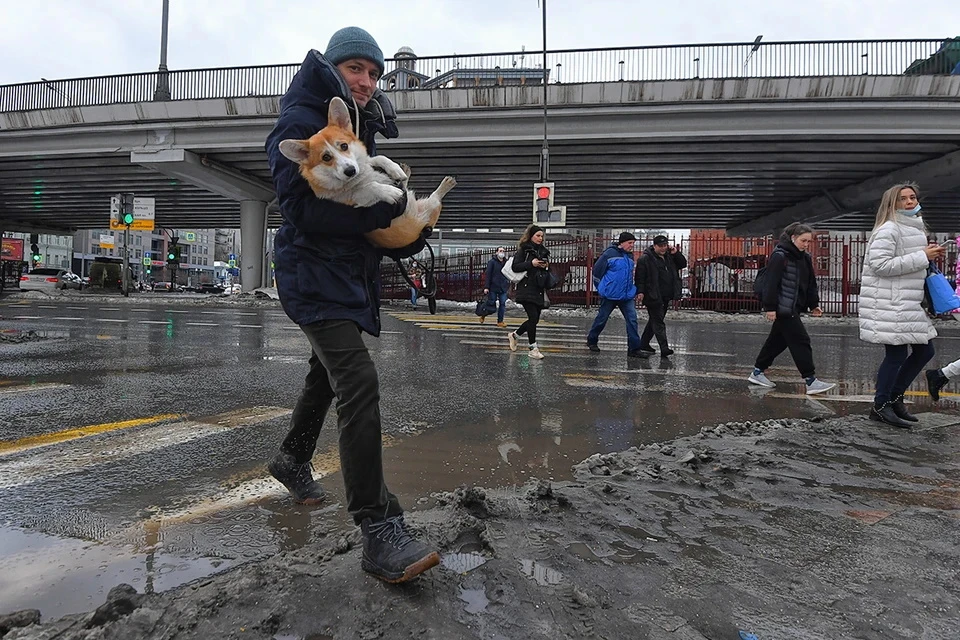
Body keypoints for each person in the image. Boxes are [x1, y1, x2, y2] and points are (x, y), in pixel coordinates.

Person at [265, 26, 439, 583]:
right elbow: (303, 212)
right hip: (311, 276)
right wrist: (376, 216)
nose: (366, 82)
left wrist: (408, 233)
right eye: (356, 69)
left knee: (327, 374)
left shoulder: (360, 124)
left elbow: (367, 209)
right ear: (334, 68)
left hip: (344, 275)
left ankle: (292, 458)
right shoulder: (302, 123)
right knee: (357, 380)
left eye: (374, 72)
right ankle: (376, 524)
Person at [859, 183, 944, 428]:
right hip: (889, 302)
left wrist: (926, 256)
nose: (909, 202)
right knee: (896, 354)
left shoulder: (914, 228)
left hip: (906, 301)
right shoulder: (889, 229)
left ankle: (894, 399)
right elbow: (881, 265)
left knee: (924, 351)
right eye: (902, 199)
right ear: (892, 204)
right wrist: (922, 257)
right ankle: (881, 405)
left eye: (912, 197)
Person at [747, 223, 836, 395]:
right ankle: (810, 380)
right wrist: (770, 307)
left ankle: (757, 372)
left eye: (808, 242)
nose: (806, 244)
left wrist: (814, 304)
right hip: (783, 308)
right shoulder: (780, 256)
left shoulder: (805, 257)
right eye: (803, 241)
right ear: (793, 238)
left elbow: (810, 283)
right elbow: (771, 284)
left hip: (794, 306)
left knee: (777, 342)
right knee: (801, 340)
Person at [586, 232, 645, 357]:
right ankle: (592, 340)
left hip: (626, 295)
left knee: (632, 320)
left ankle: (634, 349)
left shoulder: (629, 256)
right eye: (629, 243)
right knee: (602, 319)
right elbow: (597, 271)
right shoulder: (609, 254)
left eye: (633, 243)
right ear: (621, 242)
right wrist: (601, 288)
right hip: (610, 295)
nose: (631, 246)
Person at [634, 235, 687, 356]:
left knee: (655, 320)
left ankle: (644, 343)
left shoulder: (669, 257)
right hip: (652, 294)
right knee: (658, 322)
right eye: (661, 246)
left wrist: (676, 253)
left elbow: (683, 264)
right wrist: (640, 292)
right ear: (654, 246)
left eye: (665, 245)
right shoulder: (645, 259)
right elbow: (640, 278)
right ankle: (664, 348)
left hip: (666, 295)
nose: (663, 248)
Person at [506, 224, 551, 359]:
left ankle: (515, 335)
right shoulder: (523, 250)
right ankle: (533, 348)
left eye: (542, 236)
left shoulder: (543, 251)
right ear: (531, 236)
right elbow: (515, 267)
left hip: (538, 288)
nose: (540, 238)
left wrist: (545, 265)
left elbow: (544, 270)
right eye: (537, 236)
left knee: (535, 319)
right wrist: (531, 264)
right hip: (526, 288)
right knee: (532, 318)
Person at [483, 247, 510, 327]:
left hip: (503, 287)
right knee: (491, 303)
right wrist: (486, 287)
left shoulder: (506, 262)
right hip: (493, 286)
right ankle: (483, 314)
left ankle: (500, 321)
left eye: (503, 251)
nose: (502, 253)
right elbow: (488, 275)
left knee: (502, 304)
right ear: (496, 252)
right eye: (500, 251)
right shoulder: (492, 262)